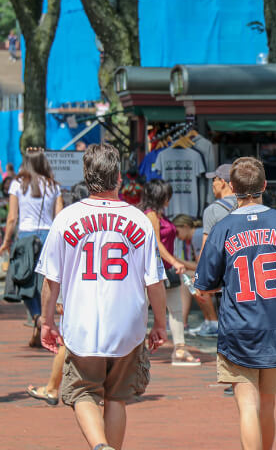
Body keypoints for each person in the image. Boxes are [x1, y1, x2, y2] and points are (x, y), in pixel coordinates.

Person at [36, 144, 168, 450]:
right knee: (117, 398)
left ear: (86, 175)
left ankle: (99, 446)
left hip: (82, 322)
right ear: (119, 177)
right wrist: (159, 323)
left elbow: (50, 281)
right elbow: (155, 282)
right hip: (128, 325)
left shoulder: (67, 218)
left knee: (83, 392)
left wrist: (47, 321)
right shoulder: (138, 220)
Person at [194, 156, 276, 450]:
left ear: (232, 187)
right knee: (268, 404)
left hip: (238, 328)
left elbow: (204, 285)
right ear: (264, 185)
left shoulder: (223, 228)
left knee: (247, 405)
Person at [26, 182, 89, 406]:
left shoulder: (67, 224)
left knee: (67, 342)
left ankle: (53, 387)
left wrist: (48, 315)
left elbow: (52, 274)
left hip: (73, 292)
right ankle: (56, 387)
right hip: (95, 293)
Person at [0, 147, 63, 345]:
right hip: (48, 237)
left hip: (26, 237)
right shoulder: (53, 186)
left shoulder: (17, 185)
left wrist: (7, 242)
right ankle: (41, 327)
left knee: (24, 283)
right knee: (43, 285)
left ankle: (37, 319)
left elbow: (12, 218)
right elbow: (59, 217)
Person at [141, 179, 200, 366]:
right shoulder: (150, 216)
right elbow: (156, 244)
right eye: (167, 195)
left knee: (176, 309)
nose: (169, 199)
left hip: (165, 269)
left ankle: (180, 348)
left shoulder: (160, 215)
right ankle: (135, 350)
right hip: (150, 270)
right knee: (142, 310)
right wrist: (175, 261)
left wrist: (176, 262)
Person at [189, 163, 237, 337]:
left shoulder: (213, 210)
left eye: (215, 180)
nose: (212, 184)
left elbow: (206, 248)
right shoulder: (248, 206)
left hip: (224, 275)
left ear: (223, 182)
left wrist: (199, 276)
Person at [171, 214, 215, 334]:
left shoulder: (197, 235)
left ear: (185, 226)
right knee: (188, 277)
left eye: (177, 232)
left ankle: (213, 322)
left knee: (193, 278)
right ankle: (207, 321)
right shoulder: (194, 237)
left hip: (220, 272)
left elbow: (200, 267)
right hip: (214, 270)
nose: (177, 237)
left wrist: (175, 260)